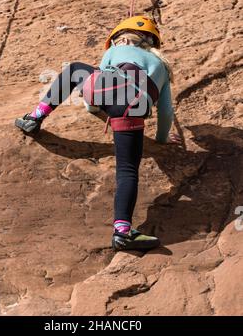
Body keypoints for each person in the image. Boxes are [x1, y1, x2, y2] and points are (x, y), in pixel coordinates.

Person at [15, 15, 181, 251]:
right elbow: (165, 112)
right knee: (126, 171)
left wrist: (96, 106)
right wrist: (162, 139)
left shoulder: (115, 51)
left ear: (121, 40)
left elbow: (100, 80)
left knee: (74, 69)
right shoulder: (162, 67)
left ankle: (35, 117)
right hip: (131, 109)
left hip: (103, 91)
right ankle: (122, 232)